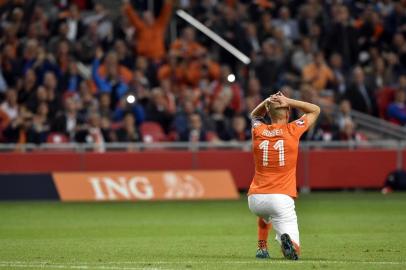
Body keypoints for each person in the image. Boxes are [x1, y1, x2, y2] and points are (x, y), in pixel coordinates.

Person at [248, 91, 320, 260]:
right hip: (280, 198)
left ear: (268, 112)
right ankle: (286, 242)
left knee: (265, 216)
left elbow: (254, 115)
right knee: (295, 251)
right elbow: (315, 110)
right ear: (288, 113)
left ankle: (262, 248)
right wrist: (288, 100)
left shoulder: (259, 130)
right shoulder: (292, 130)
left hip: (255, 198)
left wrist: (267, 101)